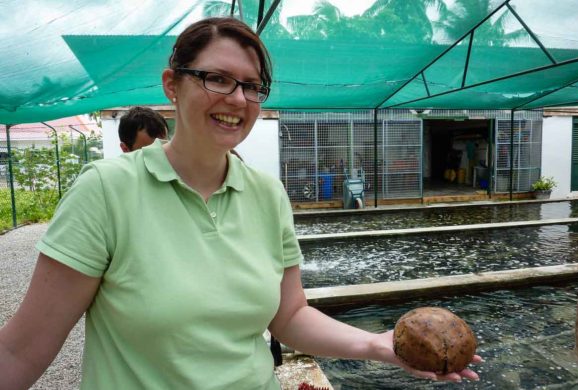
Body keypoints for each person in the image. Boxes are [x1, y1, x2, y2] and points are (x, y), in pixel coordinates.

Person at [0, 17, 481, 389]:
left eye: (252, 86)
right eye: (217, 78)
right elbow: (22, 351)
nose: (238, 98)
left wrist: (377, 345)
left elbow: (289, 316)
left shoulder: (266, 194)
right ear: (172, 84)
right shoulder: (106, 191)